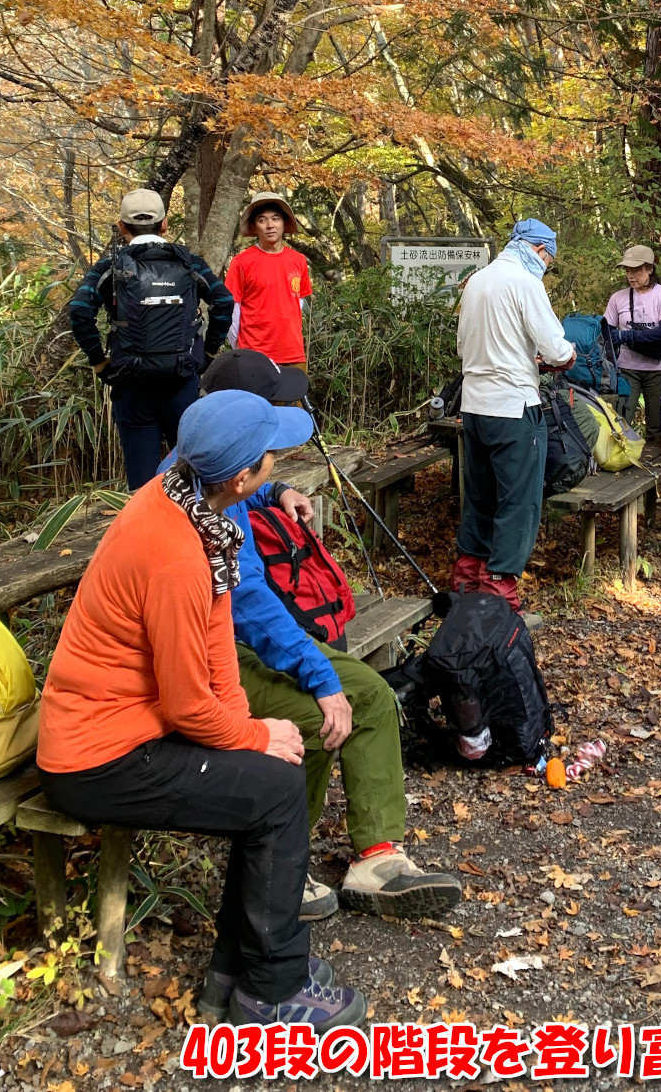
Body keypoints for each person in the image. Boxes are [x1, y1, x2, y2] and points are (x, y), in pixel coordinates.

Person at [37, 389, 367, 1032]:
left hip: (129, 730)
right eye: (272, 453)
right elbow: (188, 704)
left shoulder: (189, 508)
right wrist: (250, 733)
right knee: (273, 794)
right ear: (243, 477)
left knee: (271, 777)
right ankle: (272, 990)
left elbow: (217, 639)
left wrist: (252, 728)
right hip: (97, 758)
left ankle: (235, 975)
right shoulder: (175, 553)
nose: (278, 461)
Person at [193, 349, 462, 925]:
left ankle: (376, 855)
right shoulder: (206, 516)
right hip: (215, 657)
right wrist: (318, 676)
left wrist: (277, 489)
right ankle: (281, 859)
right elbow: (253, 611)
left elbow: (235, 483)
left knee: (366, 693)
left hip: (239, 638)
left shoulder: (205, 470)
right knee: (327, 706)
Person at [68, 188, 235, 489]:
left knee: (142, 484)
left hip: (131, 385)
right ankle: (193, 530)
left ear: (121, 227)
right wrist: (208, 354)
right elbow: (223, 302)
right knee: (191, 475)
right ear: (165, 224)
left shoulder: (109, 268)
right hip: (182, 380)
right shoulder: (190, 264)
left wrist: (99, 363)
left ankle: (147, 533)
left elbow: (80, 311)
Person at [453, 217, 576, 612]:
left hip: (473, 405)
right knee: (519, 499)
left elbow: (463, 345)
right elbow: (557, 351)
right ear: (539, 250)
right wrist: (567, 355)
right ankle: (499, 591)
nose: (547, 266)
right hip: (513, 405)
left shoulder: (477, 281)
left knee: (480, 494)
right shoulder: (526, 283)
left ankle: (467, 575)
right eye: (549, 260)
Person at [225, 192, 312, 368]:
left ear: (284, 223)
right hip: (254, 356)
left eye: (275, 218)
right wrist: (241, 349)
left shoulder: (298, 260)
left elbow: (298, 303)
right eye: (262, 220)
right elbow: (232, 312)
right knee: (255, 397)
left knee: (293, 396)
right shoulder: (241, 263)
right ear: (254, 226)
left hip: (293, 354)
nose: (270, 225)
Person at [603, 245, 661, 439]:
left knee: (657, 426)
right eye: (627, 271)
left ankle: (657, 465)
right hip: (627, 368)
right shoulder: (618, 298)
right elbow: (607, 333)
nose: (631, 275)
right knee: (622, 421)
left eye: (635, 270)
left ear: (650, 269)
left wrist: (627, 336)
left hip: (659, 369)